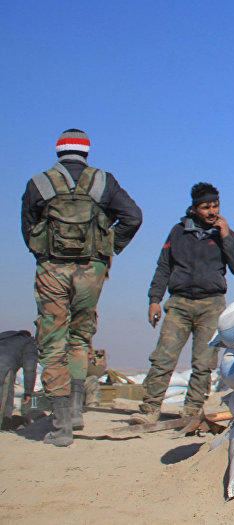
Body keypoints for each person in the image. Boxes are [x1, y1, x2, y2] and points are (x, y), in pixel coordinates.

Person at [21, 129, 142, 446]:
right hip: (91, 270)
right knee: (79, 335)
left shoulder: (39, 183)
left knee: (52, 340)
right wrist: (107, 248)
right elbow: (133, 216)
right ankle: (76, 411)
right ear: (86, 152)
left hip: (52, 269)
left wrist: (46, 257)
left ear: (58, 151)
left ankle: (61, 425)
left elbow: (28, 229)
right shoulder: (103, 181)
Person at [130, 183, 234, 425]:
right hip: (179, 304)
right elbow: (163, 267)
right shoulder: (178, 233)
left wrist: (226, 237)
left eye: (215, 206)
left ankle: (192, 411)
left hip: (211, 305)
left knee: (204, 363)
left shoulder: (225, 234)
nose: (212, 212)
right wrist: (154, 300)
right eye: (206, 207)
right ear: (194, 209)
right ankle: (150, 408)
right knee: (163, 358)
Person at [0, 330, 39, 429]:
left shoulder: (4, 339)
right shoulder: (28, 343)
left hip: (4, 364)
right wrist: (28, 392)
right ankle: (4, 424)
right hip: (4, 367)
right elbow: (29, 369)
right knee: (5, 396)